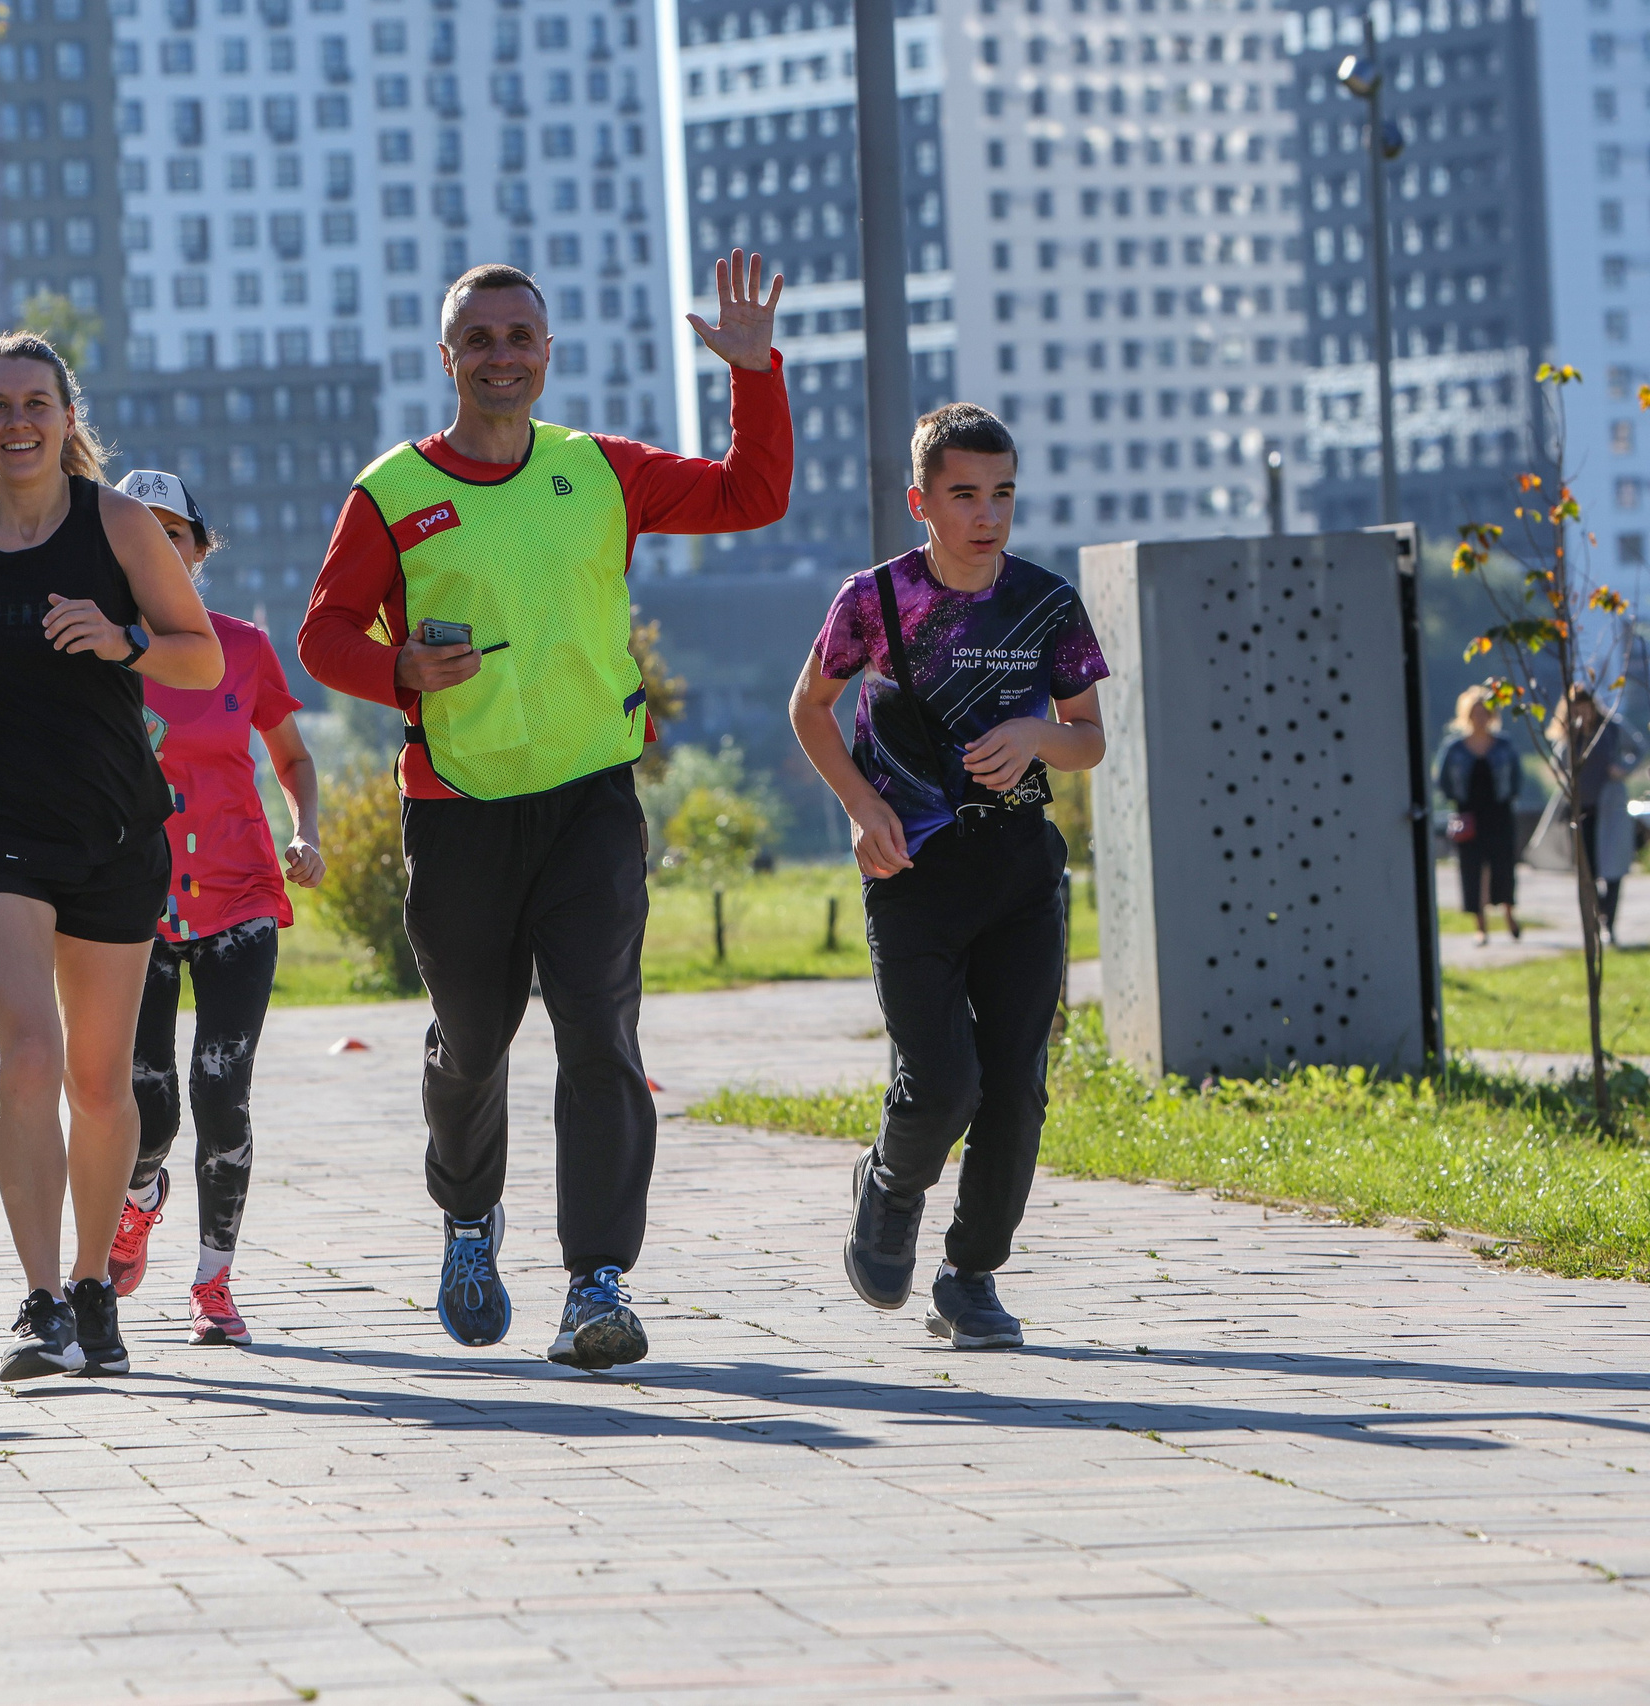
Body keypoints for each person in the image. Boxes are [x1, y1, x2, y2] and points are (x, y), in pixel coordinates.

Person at [297, 254, 792, 1370]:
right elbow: (323, 634)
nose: (501, 355)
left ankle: (596, 1283)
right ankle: (470, 1219)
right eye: (479, 338)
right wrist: (403, 676)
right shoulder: (390, 494)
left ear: (548, 353)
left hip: (589, 802)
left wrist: (754, 377)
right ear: (447, 360)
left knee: (599, 1034)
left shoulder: (596, 470)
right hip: (460, 809)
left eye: (520, 335)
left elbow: (749, 495)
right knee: (472, 1043)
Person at [0, 333, 222, 1383]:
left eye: (36, 402)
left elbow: (199, 651)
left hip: (110, 827)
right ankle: (38, 1300)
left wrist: (121, 639)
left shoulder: (119, 524)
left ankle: (94, 1284)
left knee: (97, 1075)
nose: (17, 422)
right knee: (29, 1052)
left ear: (66, 416)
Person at [788, 403, 1107, 1352]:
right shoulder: (872, 600)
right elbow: (811, 709)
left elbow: (1088, 737)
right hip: (913, 866)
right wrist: (861, 806)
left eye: (1002, 493)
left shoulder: (1047, 602)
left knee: (1015, 1085)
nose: (987, 515)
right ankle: (889, 1184)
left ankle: (970, 1277)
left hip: (1018, 863)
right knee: (941, 1080)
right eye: (965, 495)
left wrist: (1039, 734)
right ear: (921, 500)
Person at [104, 468, 327, 1348]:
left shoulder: (242, 647)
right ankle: (141, 1194)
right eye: (137, 533)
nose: (157, 548)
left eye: (175, 534)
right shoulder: (96, 647)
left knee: (221, 1090)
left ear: (200, 552)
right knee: (148, 1104)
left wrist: (303, 830)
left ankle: (213, 1281)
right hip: (137, 902)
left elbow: (294, 758)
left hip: (240, 895)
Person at [1551, 687, 1641, 945]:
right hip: (1582, 811)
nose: (1581, 711)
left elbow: (1638, 748)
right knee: (1588, 869)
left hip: (1610, 809)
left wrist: (1623, 769)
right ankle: (1595, 919)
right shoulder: (1570, 734)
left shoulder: (1611, 729)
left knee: (1613, 868)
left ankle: (1608, 922)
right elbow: (1558, 761)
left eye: (1585, 705)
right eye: (1576, 706)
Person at [1436, 685, 1522, 945]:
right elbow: (1441, 780)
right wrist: (1457, 801)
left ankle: (1509, 913)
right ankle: (1480, 924)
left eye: (1485, 712)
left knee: (1503, 867)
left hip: (1499, 814)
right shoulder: (1455, 748)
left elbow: (1516, 776)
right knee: (1472, 870)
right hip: (1468, 816)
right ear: (1466, 715)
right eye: (1476, 712)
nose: (1481, 717)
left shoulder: (1503, 745)